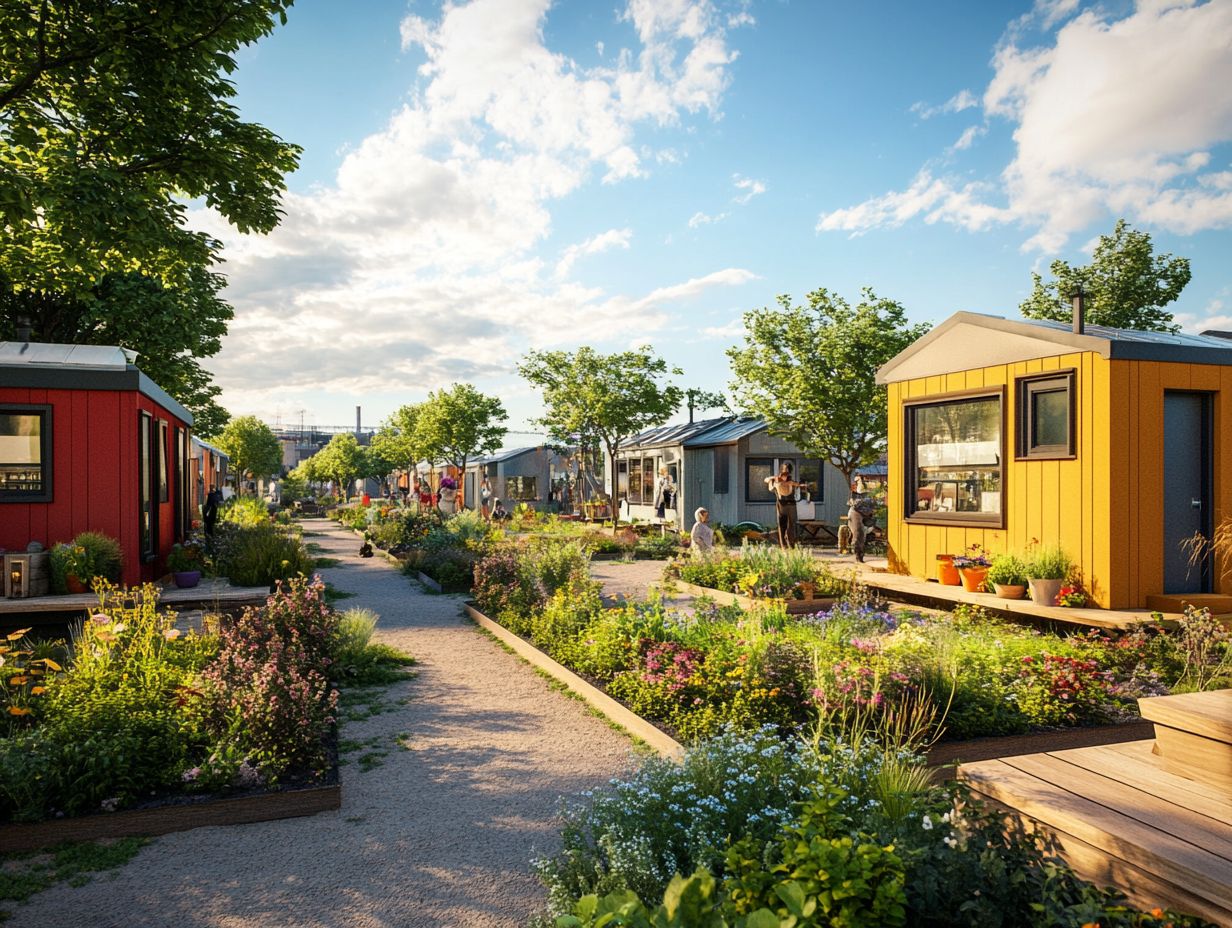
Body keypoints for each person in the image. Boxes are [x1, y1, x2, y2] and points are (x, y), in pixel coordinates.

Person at [764, 462, 804, 548]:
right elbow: (766, 480)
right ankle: (783, 545)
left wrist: (798, 485)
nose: (785, 471)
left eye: (787, 469)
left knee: (792, 524)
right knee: (782, 524)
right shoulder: (776, 479)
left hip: (792, 504)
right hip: (781, 504)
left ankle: (791, 543)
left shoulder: (791, 480)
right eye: (784, 469)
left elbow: (797, 485)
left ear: (789, 471)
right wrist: (773, 478)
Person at [847, 485, 877, 563]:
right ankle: (858, 555)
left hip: (869, 511)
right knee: (858, 532)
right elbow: (853, 496)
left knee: (868, 532)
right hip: (856, 510)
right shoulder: (860, 479)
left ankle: (862, 551)